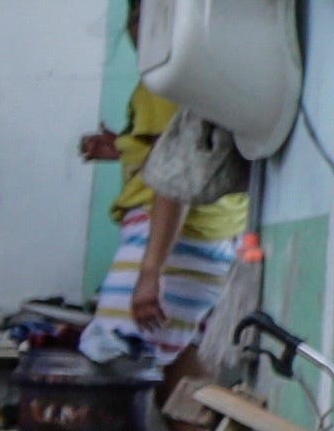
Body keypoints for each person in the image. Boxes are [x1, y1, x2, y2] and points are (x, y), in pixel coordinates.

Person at [84, 78, 261, 379]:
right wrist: (125, 147)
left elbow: (176, 175)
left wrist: (149, 273)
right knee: (183, 385)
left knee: (114, 362)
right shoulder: (219, 75)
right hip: (219, 236)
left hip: (169, 238)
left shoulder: (166, 79)